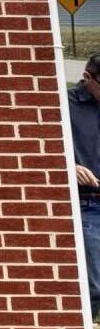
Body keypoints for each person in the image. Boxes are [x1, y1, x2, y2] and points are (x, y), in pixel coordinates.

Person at [71, 54, 100, 314]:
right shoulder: (66, 105)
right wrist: (71, 166)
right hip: (88, 204)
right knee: (95, 284)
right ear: (88, 77)